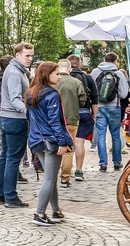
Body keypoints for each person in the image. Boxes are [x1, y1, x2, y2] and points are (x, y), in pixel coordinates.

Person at [26, 61, 74, 226]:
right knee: (49, 179)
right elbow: (55, 122)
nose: (59, 77)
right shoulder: (51, 95)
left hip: (37, 139)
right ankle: (39, 213)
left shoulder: (31, 92)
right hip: (50, 140)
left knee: (50, 177)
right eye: (56, 73)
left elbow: (31, 119)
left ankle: (56, 211)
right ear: (47, 75)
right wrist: (62, 142)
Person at [0, 42, 33, 209]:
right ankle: (10, 196)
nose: (30, 58)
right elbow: (16, 99)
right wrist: (29, 113)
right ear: (17, 55)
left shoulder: (14, 70)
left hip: (7, 117)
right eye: (27, 55)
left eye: (31, 55)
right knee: (12, 159)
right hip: (15, 119)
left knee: (5, 156)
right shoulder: (16, 73)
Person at [91, 52, 130, 172]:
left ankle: (103, 163)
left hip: (100, 107)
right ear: (115, 61)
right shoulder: (118, 73)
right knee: (115, 135)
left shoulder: (95, 72)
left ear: (104, 59)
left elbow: (90, 91)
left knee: (101, 136)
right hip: (115, 107)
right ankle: (117, 163)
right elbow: (124, 94)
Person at [55, 59, 86, 187]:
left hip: (53, 121)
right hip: (71, 119)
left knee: (52, 148)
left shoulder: (52, 82)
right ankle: (65, 178)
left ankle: (51, 177)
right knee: (68, 149)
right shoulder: (76, 82)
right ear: (70, 69)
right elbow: (83, 100)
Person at [67, 55, 97, 180]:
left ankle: (66, 169)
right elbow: (95, 99)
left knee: (67, 142)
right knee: (79, 142)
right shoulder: (88, 78)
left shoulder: (62, 78)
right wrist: (94, 116)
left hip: (67, 114)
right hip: (84, 112)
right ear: (79, 64)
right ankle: (79, 170)